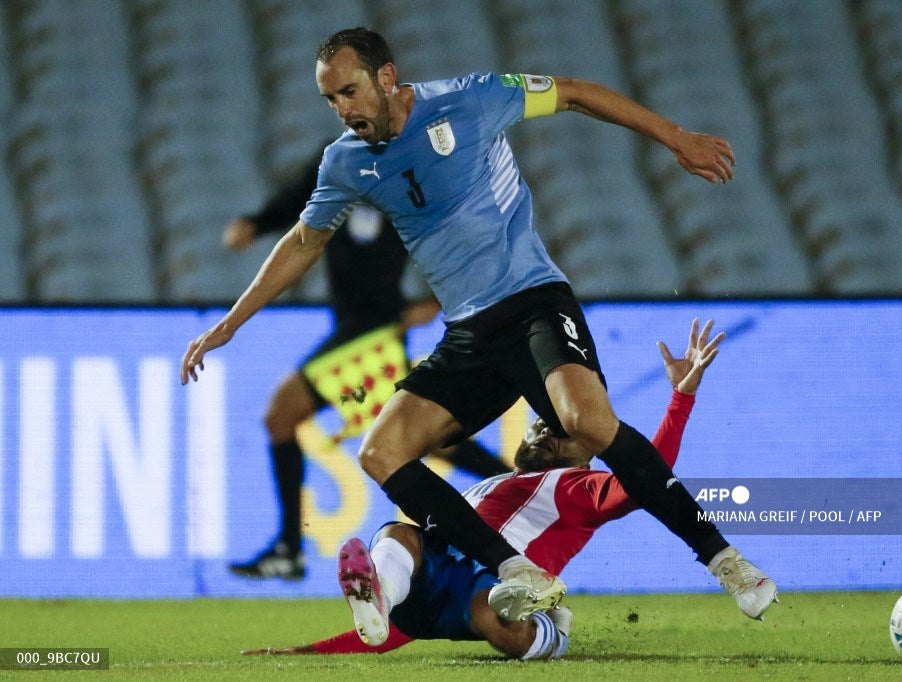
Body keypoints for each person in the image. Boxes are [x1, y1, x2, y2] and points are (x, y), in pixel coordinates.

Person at [181, 27, 776, 621]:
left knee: (584, 422)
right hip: (469, 336)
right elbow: (304, 240)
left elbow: (571, 92)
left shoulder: (470, 99)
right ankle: (515, 569)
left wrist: (675, 138)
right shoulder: (345, 162)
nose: (343, 109)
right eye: (330, 99)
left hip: (534, 301)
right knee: (380, 451)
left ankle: (723, 559)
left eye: (349, 91)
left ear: (386, 77)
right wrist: (232, 322)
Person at [241, 319, 768, 659]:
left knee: (488, 609)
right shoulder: (493, 484)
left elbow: (646, 482)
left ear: (584, 446)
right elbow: (391, 638)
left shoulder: (576, 486)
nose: (539, 432)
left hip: (494, 594)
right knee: (400, 534)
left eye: (554, 431)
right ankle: (379, 592)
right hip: (432, 591)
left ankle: (548, 634)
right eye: (537, 424)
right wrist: (310, 653)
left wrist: (680, 398)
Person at [222, 155, 511, 580]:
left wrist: (436, 298)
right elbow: (296, 202)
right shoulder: (337, 160)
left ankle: (288, 548)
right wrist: (257, 222)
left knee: (285, 415)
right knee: (425, 438)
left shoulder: (410, 163)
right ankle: (519, 485)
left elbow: (452, 230)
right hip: (357, 330)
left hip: (375, 331)